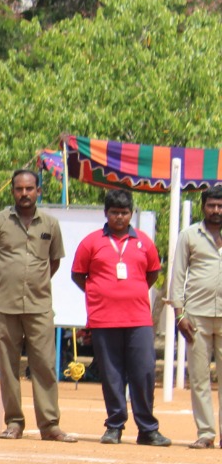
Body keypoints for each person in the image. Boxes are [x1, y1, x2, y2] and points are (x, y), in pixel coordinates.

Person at [71, 189, 168, 446]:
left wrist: (129, 293)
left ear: (131, 214)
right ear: (106, 213)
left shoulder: (144, 242)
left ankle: (147, 429)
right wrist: (100, 293)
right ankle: (114, 425)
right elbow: (78, 274)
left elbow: (152, 274)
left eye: (124, 213)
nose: (119, 218)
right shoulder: (91, 242)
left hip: (138, 318)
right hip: (104, 319)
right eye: (114, 212)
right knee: (112, 374)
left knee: (144, 372)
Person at [0, 169, 67, 441]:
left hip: (39, 303)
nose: (24, 194)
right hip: (4, 304)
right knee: (7, 365)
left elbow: (53, 262)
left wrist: (34, 282)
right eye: (19, 189)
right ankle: (14, 422)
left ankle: (49, 424)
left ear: (38, 191)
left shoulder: (50, 224)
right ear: (12, 192)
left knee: (44, 364)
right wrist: (1, 283)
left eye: (29, 189)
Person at [166, 185, 222, 449]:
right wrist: (179, 314)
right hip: (196, 317)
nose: (216, 210)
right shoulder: (189, 235)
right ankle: (206, 433)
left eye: (220, 206)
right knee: (199, 378)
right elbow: (177, 276)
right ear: (203, 206)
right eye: (211, 205)